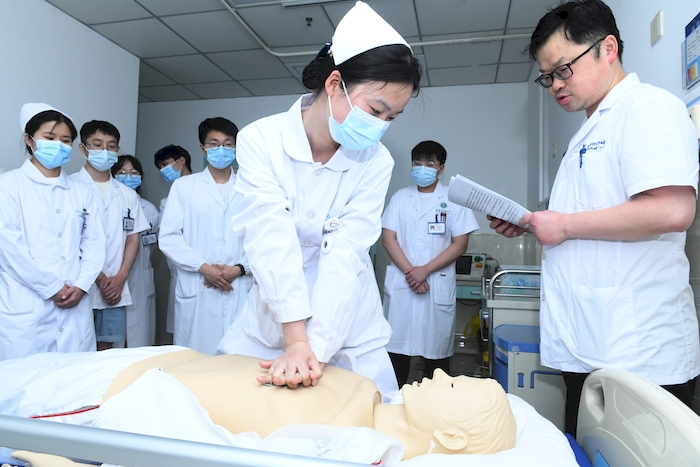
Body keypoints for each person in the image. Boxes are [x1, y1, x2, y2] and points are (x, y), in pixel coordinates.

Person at [488, 0, 700, 436]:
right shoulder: (588, 132)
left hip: (639, 356)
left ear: (608, 49)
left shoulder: (647, 107)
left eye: (563, 69)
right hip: (593, 345)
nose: (554, 85)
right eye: (547, 76)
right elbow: (593, 216)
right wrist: (534, 222)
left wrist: (563, 225)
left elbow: (674, 209)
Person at [216, 0, 422, 396]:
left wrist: (314, 350)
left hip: (348, 326)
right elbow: (270, 237)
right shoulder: (261, 140)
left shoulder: (376, 160)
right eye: (376, 110)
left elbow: (347, 253)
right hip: (273, 320)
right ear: (334, 84)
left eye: (391, 118)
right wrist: (295, 339)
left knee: (365, 418)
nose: (379, 127)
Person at [0, 347, 517, 465]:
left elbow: (209, 455)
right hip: (165, 358)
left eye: (453, 387)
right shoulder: (375, 394)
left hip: (108, 397)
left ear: (451, 438)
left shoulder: (347, 450)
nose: (441, 373)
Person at [0, 104, 105, 361]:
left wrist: (81, 285)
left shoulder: (83, 192)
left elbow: (94, 244)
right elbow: (10, 248)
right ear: (29, 140)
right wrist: (51, 287)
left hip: (75, 303)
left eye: (65, 140)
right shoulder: (8, 186)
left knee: (75, 379)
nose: (58, 145)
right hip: (26, 306)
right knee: (25, 380)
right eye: (49, 138)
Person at [382, 141, 479, 386]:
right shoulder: (400, 198)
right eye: (417, 162)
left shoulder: (454, 200)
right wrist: (411, 272)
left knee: (436, 361)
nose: (422, 167)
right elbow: (388, 238)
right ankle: (394, 403)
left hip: (435, 284)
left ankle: (434, 405)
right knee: (396, 357)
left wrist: (424, 271)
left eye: (429, 163)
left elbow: (460, 244)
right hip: (404, 285)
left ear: (441, 168)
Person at [159, 118, 253, 355]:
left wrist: (240, 268)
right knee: (195, 359)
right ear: (202, 148)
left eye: (228, 144)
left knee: (239, 360)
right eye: (214, 143)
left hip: (238, 283)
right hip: (198, 284)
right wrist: (203, 267)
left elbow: (263, 236)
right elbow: (169, 237)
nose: (221, 149)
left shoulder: (251, 187)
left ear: (236, 148)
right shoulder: (183, 187)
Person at [71, 121, 149, 351]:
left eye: (111, 146)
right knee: (76, 348)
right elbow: (70, 239)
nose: (105, 151)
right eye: (97, 145)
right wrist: (99, 277)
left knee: (105, 350)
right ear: (83, 148)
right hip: (80, 284)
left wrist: (120, 278)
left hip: (115, 288)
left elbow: (133, 238)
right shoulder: (71, 187)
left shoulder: (127, 194)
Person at [111, 155, 160, 347]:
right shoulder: (108, 205)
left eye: (133, 173)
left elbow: (152, 244)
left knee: (140, 340)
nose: (128, 177)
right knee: (112, 341)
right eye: (122, 173)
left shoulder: (149, 209)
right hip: (112, 279)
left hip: (140, 278)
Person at [153, 144, 193, 336]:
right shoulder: (166, 202)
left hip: (214, 268)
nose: (163, 170)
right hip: (182, 272)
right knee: (184, 331)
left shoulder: (203, 190)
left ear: (181, 161)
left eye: (166, 164)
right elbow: (168, 239)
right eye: (160, 166)